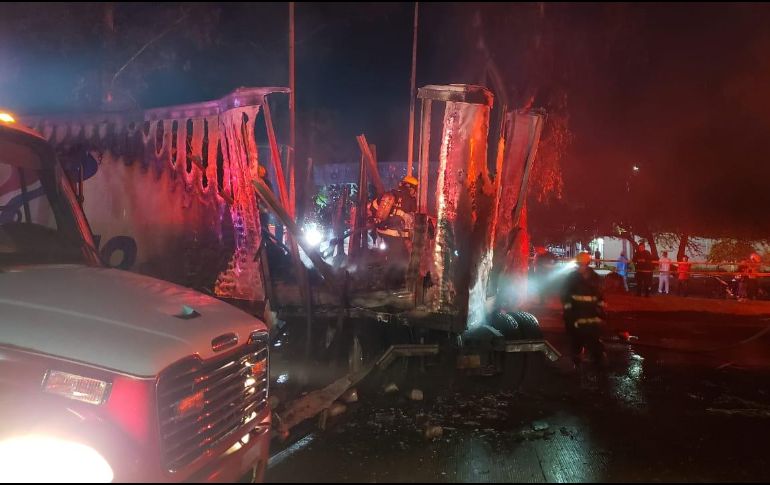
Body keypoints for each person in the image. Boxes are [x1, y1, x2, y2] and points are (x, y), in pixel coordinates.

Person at [369, 176, 419, 285]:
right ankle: (391, 283)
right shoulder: (410, 200)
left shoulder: (390, 193)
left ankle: (392, 281)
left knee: (396, 257)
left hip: (382, 231)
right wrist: (408, 239)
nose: (415, 192)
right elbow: (410, 222)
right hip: (395, 234)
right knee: (399, 259)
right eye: (415, 188)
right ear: (410, 188)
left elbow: (372, 207)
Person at [561, 251, 607, 368]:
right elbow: (565, 295)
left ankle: (598, 361)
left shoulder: (594, 278)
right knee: (577, 340)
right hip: (579, 314)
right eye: (579, 264)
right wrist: (568, 312)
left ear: (587, 264)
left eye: (582, 264)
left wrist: (601, 311)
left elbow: (600, 296)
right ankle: (577, 362)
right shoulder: (573, 277)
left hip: (589, 315)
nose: (581, 267)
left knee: (592, 339)